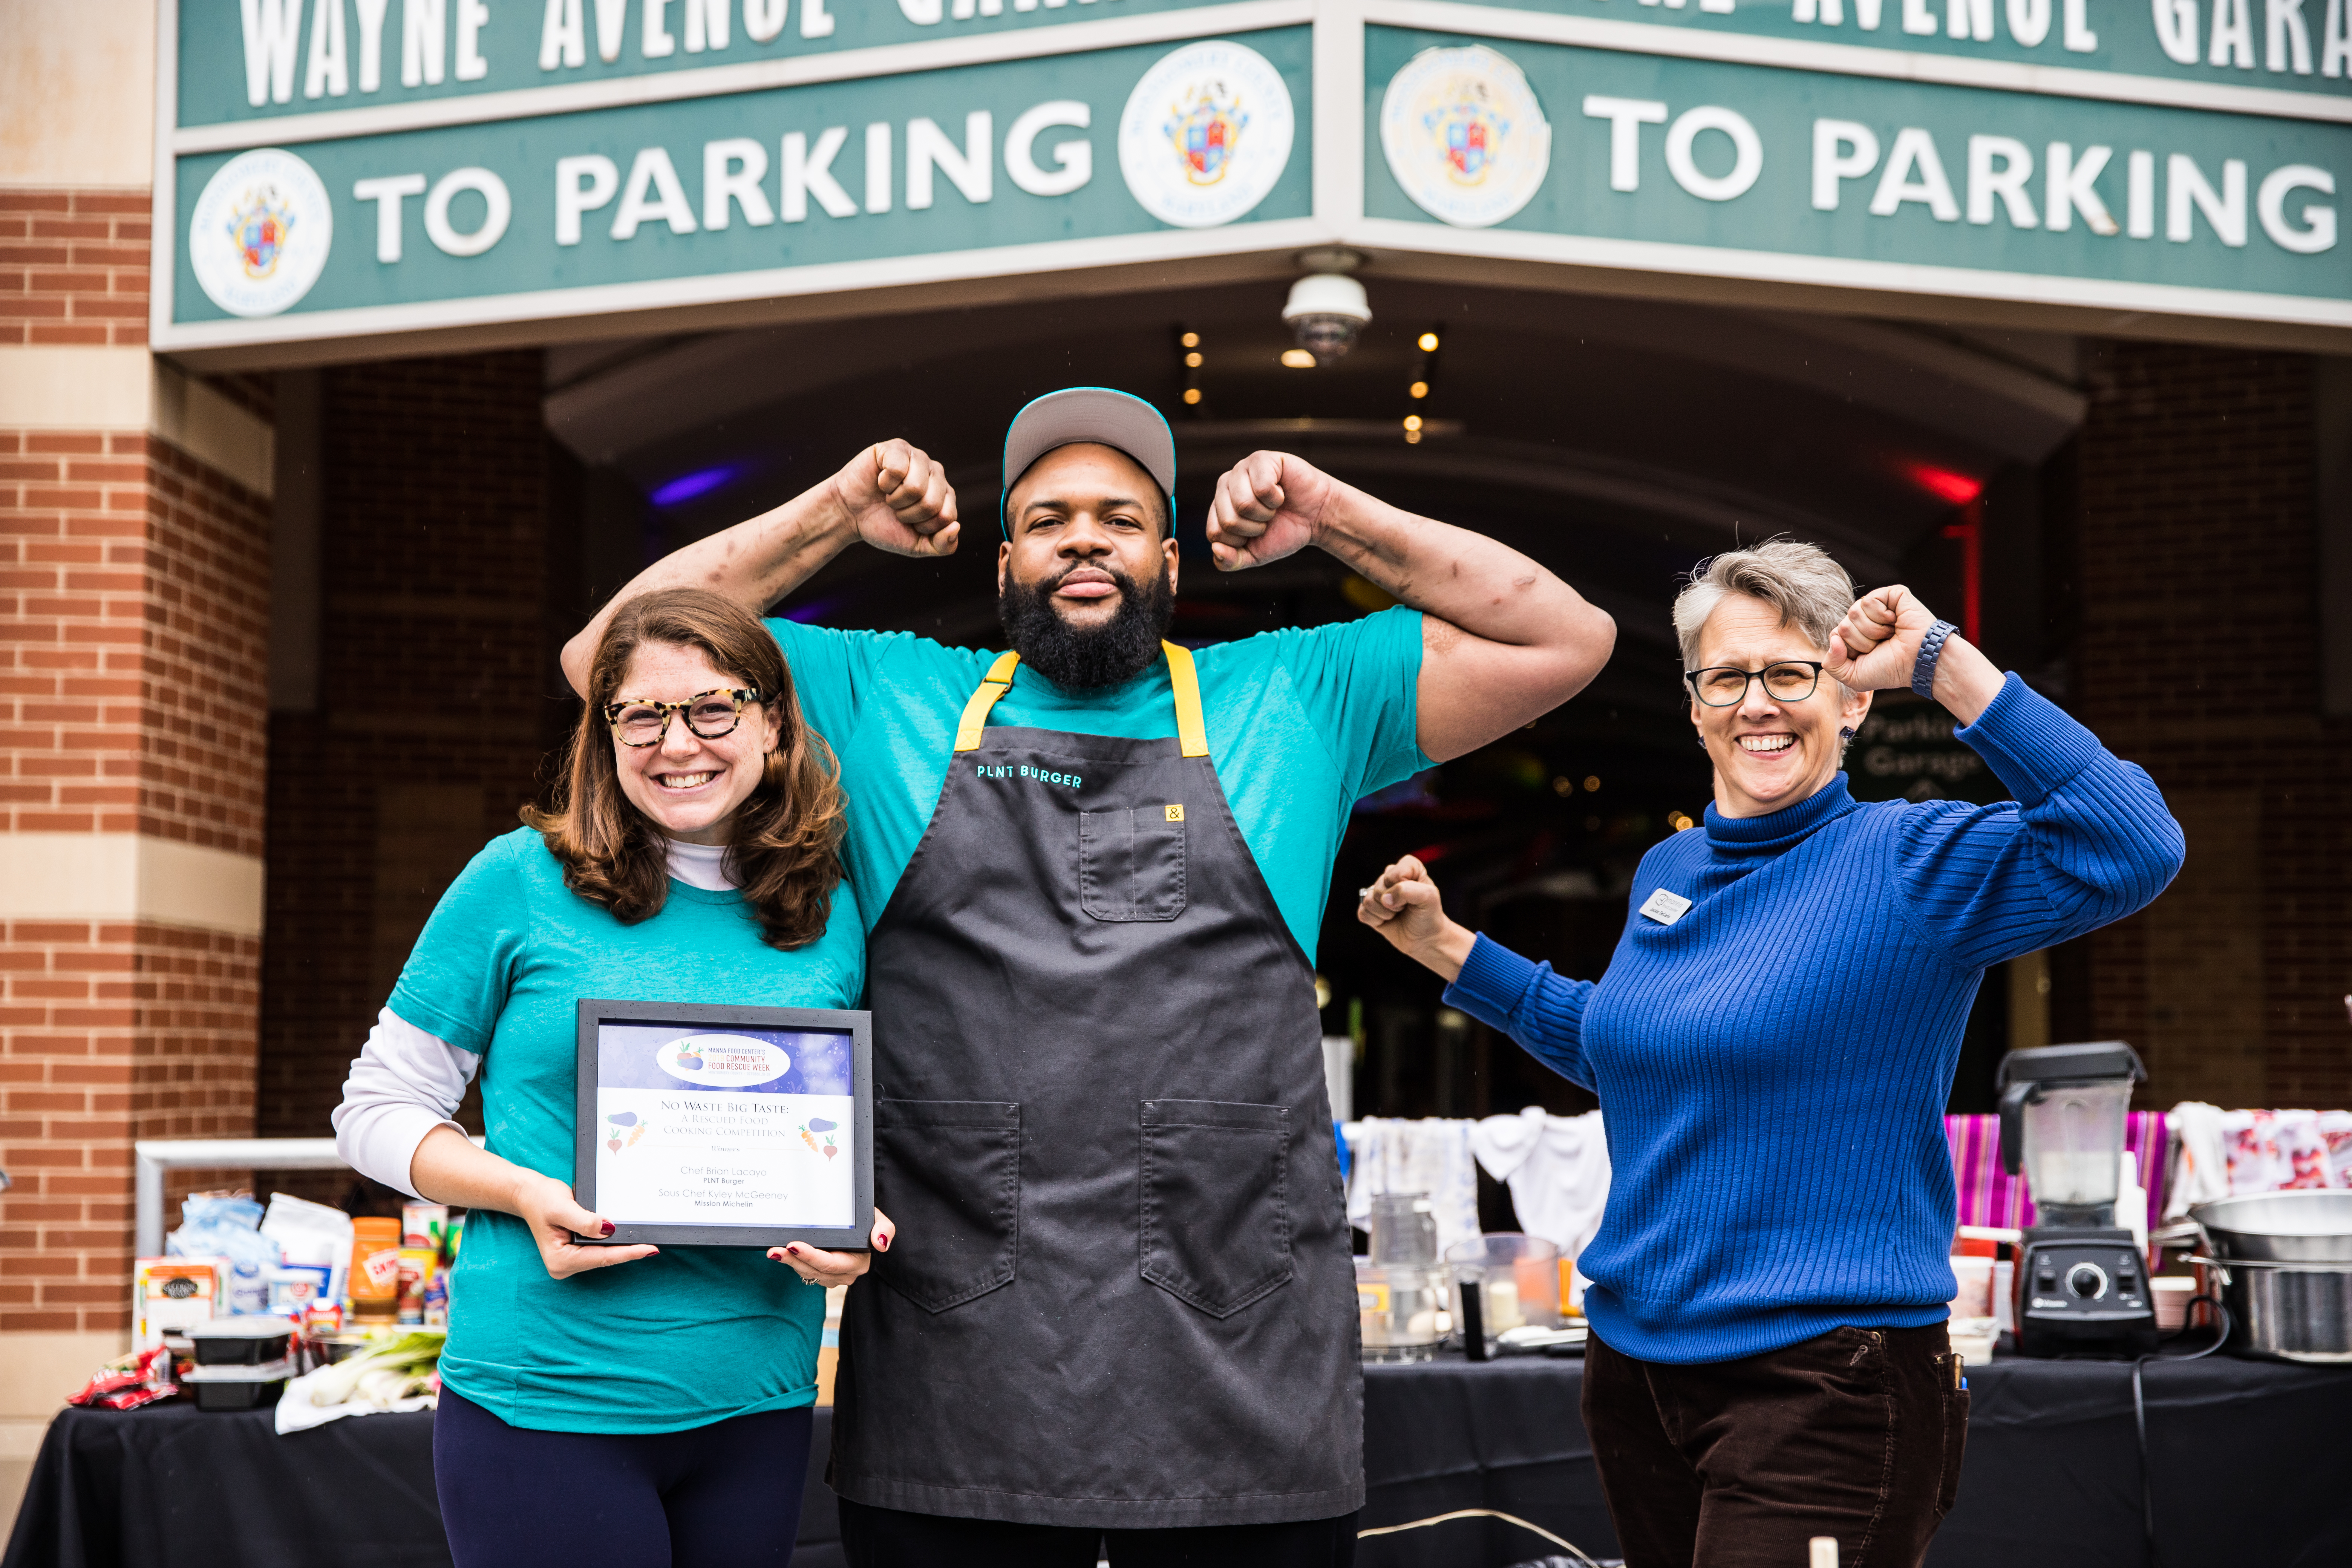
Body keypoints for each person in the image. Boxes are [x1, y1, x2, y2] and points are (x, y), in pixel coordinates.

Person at [559, 389, 1619, 1565]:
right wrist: (839, 510)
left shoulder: (1295, 696)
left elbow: (1566, 637)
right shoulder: (886, 696)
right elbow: (613, 655)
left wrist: (1329, 513)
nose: (1083, 539)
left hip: (1242, 1377)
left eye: (1119, 519)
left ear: (1169, 558)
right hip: (960, 1383)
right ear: (1005, 557)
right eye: (1049, 517)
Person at [1354, 540, 2185, 1568]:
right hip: (1637, 1369)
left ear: (1852, 702)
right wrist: (1446, 949)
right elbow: (1638, 1051)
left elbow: (2134, 844)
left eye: (1793, 674)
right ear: (1696, 703)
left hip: (1823, 1380)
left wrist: (1942, 662)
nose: (1761, 703)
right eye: (1730, 676)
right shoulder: (1673, 866)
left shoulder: (1912, 860)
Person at [333, 586, 898, 1568]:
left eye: (713, 707)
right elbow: (376, 1109)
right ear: (605, 733)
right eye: (642, 713)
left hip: (758, 1407)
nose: (678, 742)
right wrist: (522, 1192)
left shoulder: (829, 906)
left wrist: (852, 1227)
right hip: (547, 1402)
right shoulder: (518, 879)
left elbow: (829, 1125)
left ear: (773, 720)